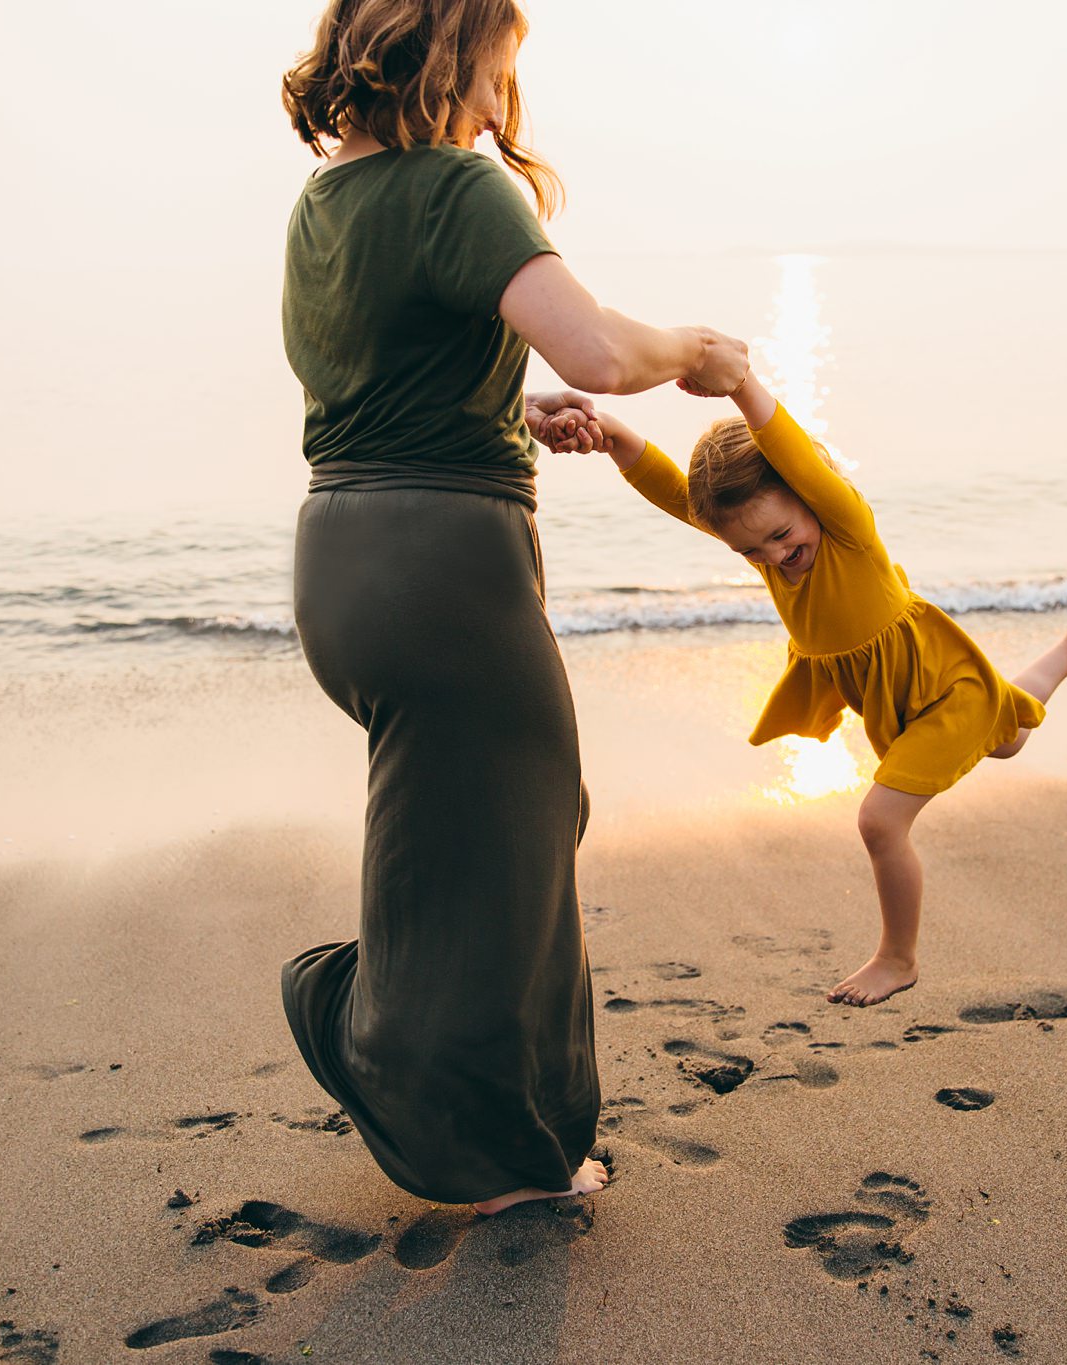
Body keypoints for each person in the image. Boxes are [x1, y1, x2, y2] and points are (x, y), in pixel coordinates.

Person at [274, 0, 749, 1216]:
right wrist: (686, 347)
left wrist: (502, 406)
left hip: (343, 558)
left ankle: (414, 1066)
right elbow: (594, 347)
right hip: (445, 569)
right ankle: (478, 1147)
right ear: (448, 55)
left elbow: (388, 376)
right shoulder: (459, 189)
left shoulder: (322, 203)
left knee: (459, 836)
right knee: (515, 839)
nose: (501, 105)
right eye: (497, 71)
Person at [539, 371, 1067, 1007]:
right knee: (1009, 739)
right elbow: (669, 487)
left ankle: (897, 958)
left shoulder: (846, 527)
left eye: (781, 536)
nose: (773, 557)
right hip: (890, 695)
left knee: (881, 821)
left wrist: (739, 383)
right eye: (751, 552)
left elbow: (789, 447)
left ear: (809, 496)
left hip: (943, 686)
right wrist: (610, 434)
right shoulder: (756, 538)